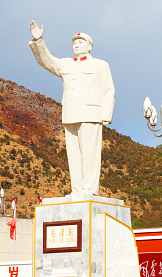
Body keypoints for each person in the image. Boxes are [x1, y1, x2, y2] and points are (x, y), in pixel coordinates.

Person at [28, 20, 115, 196]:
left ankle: (90, 189)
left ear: (89, 46)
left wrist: (106, 113)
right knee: (74, 156)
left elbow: (109, 89)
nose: (76, 45)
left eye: (80, 42)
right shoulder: (66, 64)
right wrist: (39, 41)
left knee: (90, 153)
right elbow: (47, 60)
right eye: (74, 42)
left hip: (91, 113)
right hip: (70, 113)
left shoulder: (100, 65)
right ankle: (77, 189)